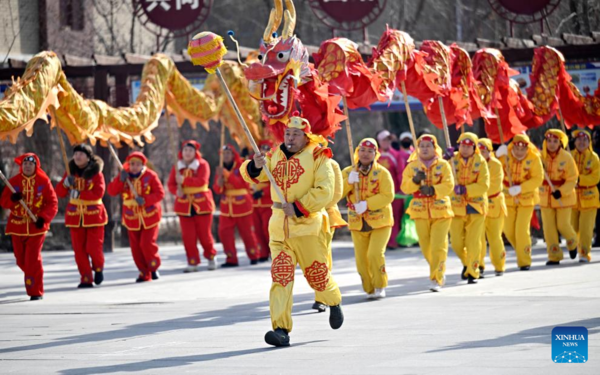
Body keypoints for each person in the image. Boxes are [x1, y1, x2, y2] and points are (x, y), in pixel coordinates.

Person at [241, 115, 343, 347]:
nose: (290, 138)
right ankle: (281, 329)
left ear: (306, 137)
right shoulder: (273, 155)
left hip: (307, 227)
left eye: (296, 134)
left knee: (317, 276)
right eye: (288, 133)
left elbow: (325, 190)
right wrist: (256, 166)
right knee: (281, 277)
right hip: (279, 228)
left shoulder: (318, 155)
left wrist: (298, 207)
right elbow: (252, 176)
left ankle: (333, 300)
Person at [0, 153, 58, 300]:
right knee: (20, 259)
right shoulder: (13, 182)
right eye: (24, 164)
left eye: (30, 164)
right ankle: (34, 276)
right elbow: (4, 202)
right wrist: (13, 199)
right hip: (17, 225)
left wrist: (43, 218)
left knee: (33, 259)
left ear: (36, 166)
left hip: (36, 225)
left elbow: (52, 203)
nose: (27, 166)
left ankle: (36, 291)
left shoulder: (43, 182)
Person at [343, 138, 394, 299]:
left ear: (375, 154)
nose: (365, 154)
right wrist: (348, 182)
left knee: (375, 254)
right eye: (362, 150)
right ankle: (369, 287)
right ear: (357, 152)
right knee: (361, 261)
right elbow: (336, 193)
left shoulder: (382, 173)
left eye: (370, 151)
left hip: (380, 220)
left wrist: (367, 204)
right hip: (357, 222)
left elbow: (388, 195)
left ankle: (380, 284)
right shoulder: (348, 171)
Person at [401, 135, 454, 292]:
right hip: (420, 210)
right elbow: (405, 187)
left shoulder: (443, 165)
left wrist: (433, 190)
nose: (424, 148)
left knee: (438, 246)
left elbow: (449, 185)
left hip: (440, 210)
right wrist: (416, 181)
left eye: (428, 145)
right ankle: (437, 268)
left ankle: (437, 277)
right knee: (425, 247)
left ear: (434, 148)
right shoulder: (412, 166)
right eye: (421, 145)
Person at [55, 144, 108, 288]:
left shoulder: (97, 173)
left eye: (81, 154)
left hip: (94, 215)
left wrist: (80, 194)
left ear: (88, 157)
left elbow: (98, 193)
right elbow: (59, 192)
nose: (77, 156)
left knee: (93, 247)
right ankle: (85, 278)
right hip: (75, 216)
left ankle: (98, 268)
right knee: (79, 250)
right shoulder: (69, 172)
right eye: (76, 154)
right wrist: (65, 184)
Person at [107, 151, 165, 282]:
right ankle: (143, 272)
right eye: (132, 164)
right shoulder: (124, 176)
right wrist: (119, 180)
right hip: (131, 216)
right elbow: (111, 191)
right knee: (136, 247)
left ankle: (153, 266)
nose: (134, 167)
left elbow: (160, 193)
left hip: (149, 215)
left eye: (137, 164)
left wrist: (146, 200)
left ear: (143, 165)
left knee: (147, 243)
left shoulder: (150, 175)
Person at [167, 140, 217, 272]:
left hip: (201, 203)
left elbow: (203, 181)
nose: (187, 153)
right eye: (185, 150)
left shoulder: (203, 165)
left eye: (190, 150)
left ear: (195, 153)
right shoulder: (177, 167)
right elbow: (171, 184)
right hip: (184, 205)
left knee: (205, 235)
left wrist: (184, 180)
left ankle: (211, 256)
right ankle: (192, 261)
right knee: (188, 236)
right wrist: (175, 191)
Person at [496, 133, 544, 270]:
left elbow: (538, 178)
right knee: (509, 230)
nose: (519, 152)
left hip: (526, 198)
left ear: (527, 149)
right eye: (516, 148)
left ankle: (524, 261)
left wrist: (521, 188)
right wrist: (496, 154)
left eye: (523, 149)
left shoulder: (534, 158)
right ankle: (523, 250)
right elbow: (492, 167)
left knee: (521, 231)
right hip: (508, 197)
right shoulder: (505, 156)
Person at [448, 132, 490, 284]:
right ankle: (467, 263)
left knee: (473, 241)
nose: (465, 149)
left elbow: (484, 185)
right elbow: (441, 174)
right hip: (456, 206)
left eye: (468, 146)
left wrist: (466, 189)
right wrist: (445, 159)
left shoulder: (481, 161)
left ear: (474, 147)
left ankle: (473, 271)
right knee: (456, 242)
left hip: (476, 205)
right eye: (462, 145)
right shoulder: (452, 159)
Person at [213, 144, 259, 267]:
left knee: (247, 233)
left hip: (242, 204)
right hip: (226, 206)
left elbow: (242, 184)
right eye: (224, 154)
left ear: (233, 155)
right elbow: (217, 190)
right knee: (224, 233)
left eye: (228, 153)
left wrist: (228, 175)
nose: (226, 156)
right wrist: (219, 183)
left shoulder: (241, 165)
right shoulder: (220, 168)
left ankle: (254, 255)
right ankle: (231, 258)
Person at [539, 129, 579, 265]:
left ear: (560, 143)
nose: (551, 144)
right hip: (545, 196)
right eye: (549, 141)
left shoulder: (566, 158)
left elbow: (573, 178)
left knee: (563, 225)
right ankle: (554, 255)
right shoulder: (539, 157)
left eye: (555, 141)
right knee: (549, 228)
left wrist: (561, 191)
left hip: (563, 197)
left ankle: (573, 242)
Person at [313, 158, 347, 312]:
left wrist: (313, 205)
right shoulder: (301, 161)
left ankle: (322, 297)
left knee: (323, 256)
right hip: (302, 217)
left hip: (325, 214)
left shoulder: (332, 164)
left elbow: (336, 193)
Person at [477, 138, 507, 276]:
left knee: (495, 237)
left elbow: (494, 185)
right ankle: (479, 265)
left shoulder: (495, 164)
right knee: (478, 237)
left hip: (493, 203)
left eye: (484, 151)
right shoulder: (473, 163)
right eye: (478, 151)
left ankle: (499, 265)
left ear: (490, 152)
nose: (481, 154)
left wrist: (475, 190)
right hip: (477, 204)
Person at [570, 129, 600, 262]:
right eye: (579, 139)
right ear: (574, 141)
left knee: (586, 228)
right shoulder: (568, 156)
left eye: (585, 140)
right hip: (572, 198)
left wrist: (579, 179)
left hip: (589, 198)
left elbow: (595, 177)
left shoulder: (594, 158)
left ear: (589, 142)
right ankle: (575, 246)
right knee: (572, 227)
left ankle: (584, 253)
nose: (581, 142)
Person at [375, 130, 402, 249]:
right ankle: (382, 242)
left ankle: (393, 241)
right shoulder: (375, 155)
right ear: (379, 141)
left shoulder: (396, 155)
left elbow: (400, 173)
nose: (386, 142)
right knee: (380, 216)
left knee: (395, 216)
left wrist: (402, 188)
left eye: (388, 139)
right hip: (377, 193)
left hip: (394, 193)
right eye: (384, 140)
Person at [251, 140, 274, 263]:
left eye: (266, 148)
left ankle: (272, 251)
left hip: (267, 202)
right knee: (257, 229)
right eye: (262, 148)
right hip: (255, 203)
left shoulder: (273, 162)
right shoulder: (255, 161)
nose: (264, 150)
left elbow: (275, 182)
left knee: (267, 228)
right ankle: (262, 252)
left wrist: (263, 192)